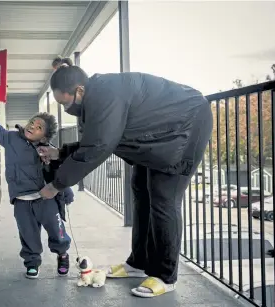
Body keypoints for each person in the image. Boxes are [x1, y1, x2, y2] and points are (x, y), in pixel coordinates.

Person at [37, 58, 213, 297]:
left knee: (163, 199)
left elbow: (97, 147)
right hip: (155, 137)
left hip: (187, 125)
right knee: (140, 191)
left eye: (65, 103)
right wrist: (60, 153)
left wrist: (57, 184)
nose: (67, 109)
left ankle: (165, 275)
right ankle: (139, 263)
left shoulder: (105, 96)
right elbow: (99, 139)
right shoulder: (95, 96)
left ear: (78, 90)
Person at [0, 99, 74, 279]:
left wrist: (66, 191)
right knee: (27, 233)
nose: (32, 127)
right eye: (32, 123)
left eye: (38, 127)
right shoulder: (11, 139)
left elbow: (58, 173)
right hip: (21, 199)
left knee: (56, 229)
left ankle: (62, 254)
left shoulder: (47, 150)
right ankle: (32, 262)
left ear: (44, 137)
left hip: (46, 198)